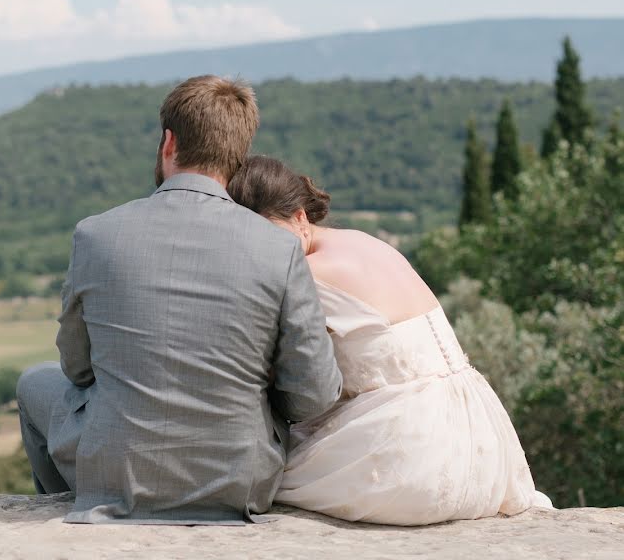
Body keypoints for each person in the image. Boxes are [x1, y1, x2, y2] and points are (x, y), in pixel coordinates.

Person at [16, 77, 342, 524]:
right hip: (240, 481)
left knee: (33, 381)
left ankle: (72, 508)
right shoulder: (278, 248)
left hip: (118, 471)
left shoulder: (94, 234)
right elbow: (315, 394)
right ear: (237, 156)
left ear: (168, 143)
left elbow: (77, 369)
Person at [227, 155, 551, 526]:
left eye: (270, 236)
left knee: (260, 479)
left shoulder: (305, 272)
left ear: (300, 218)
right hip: (483, 443)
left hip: (411, 445)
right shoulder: (364, 241)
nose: (264, 252)